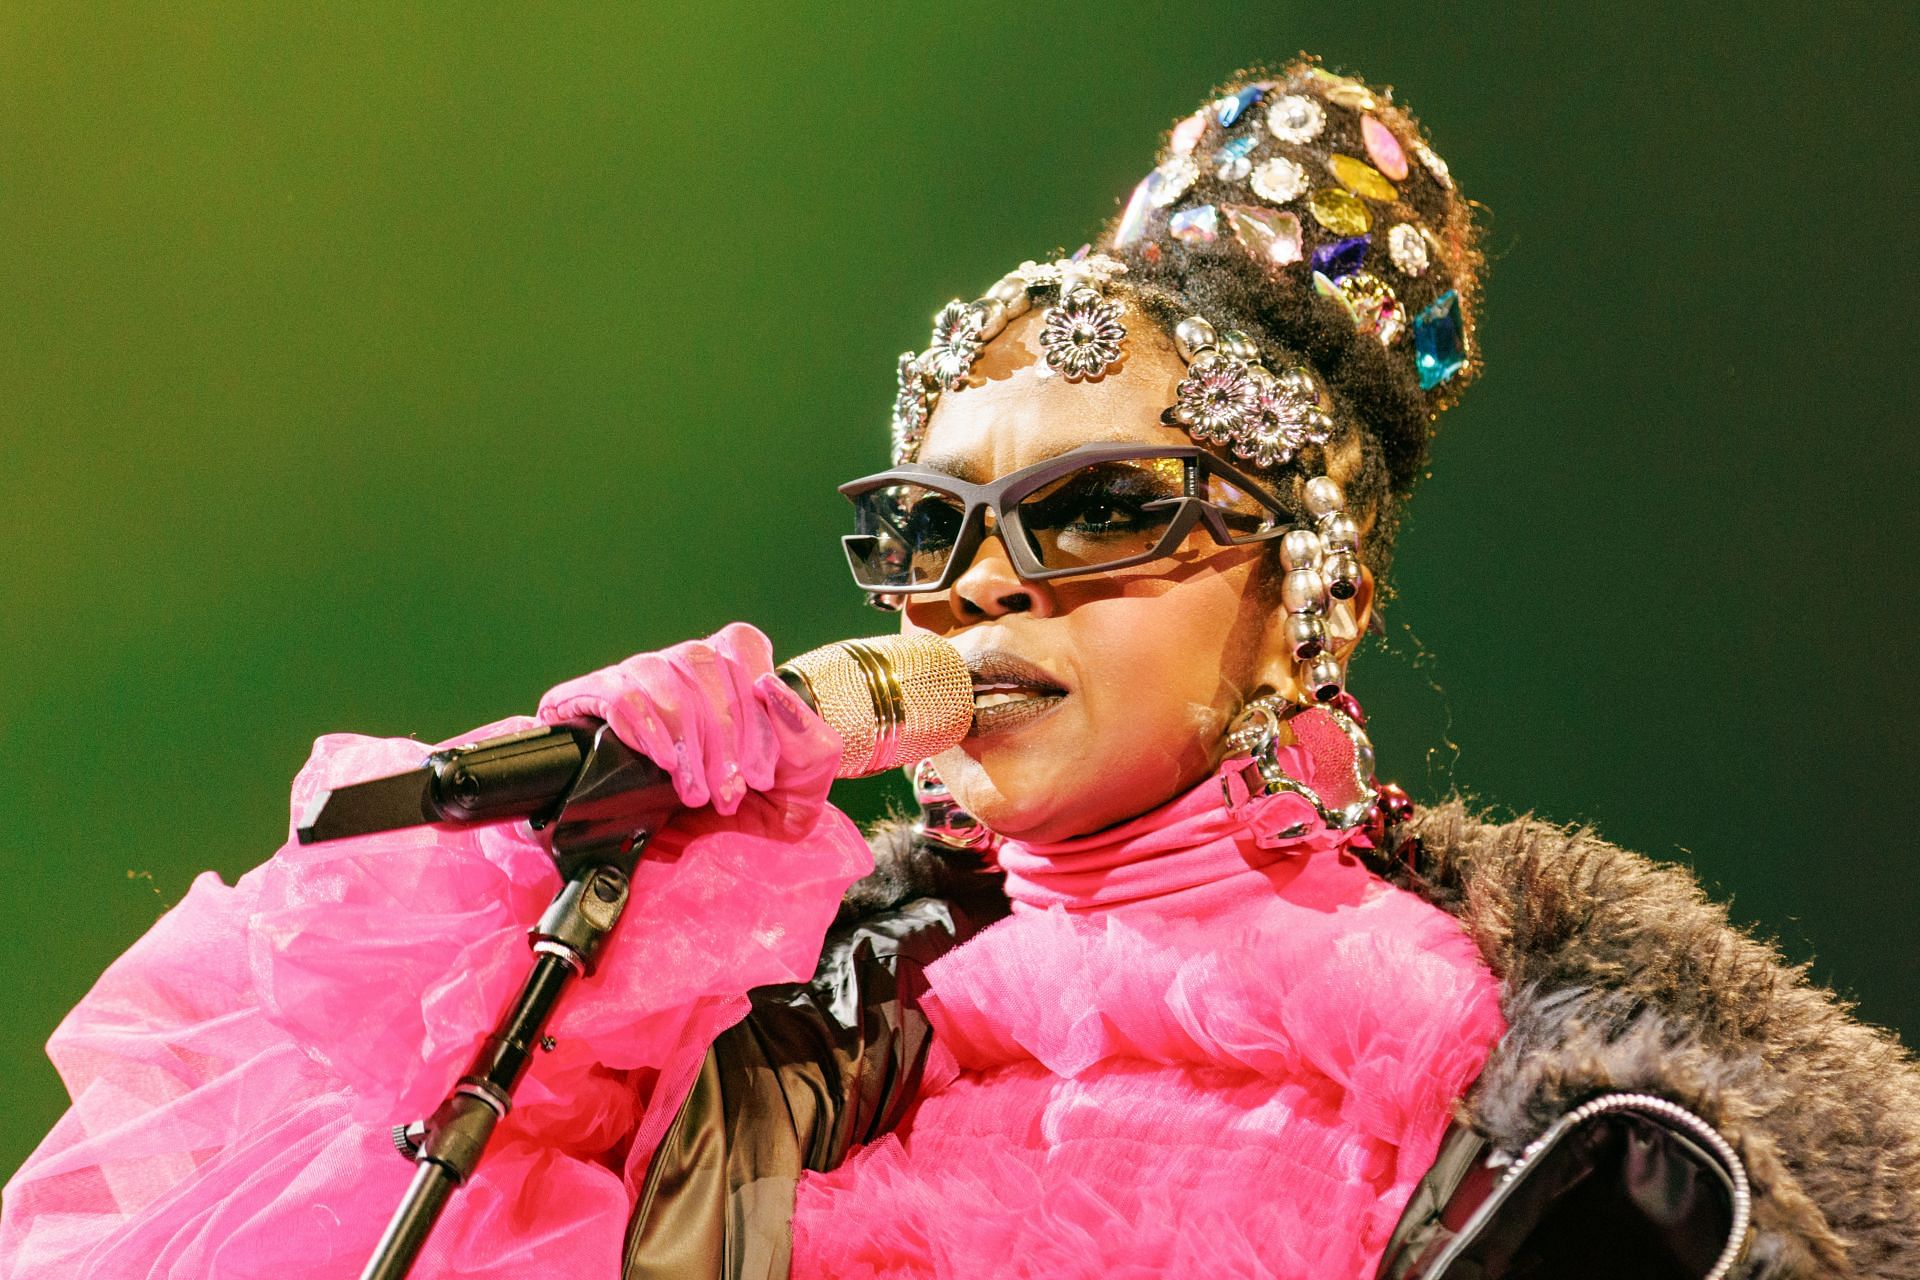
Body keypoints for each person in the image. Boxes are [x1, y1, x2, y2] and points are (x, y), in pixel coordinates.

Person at [3, 57, 1918, 1280]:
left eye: (1101, 514)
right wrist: (605, 892)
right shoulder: (828, 1020)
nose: (985, 591)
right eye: (929, 530)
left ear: (1311, 595)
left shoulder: (1465, 1072)